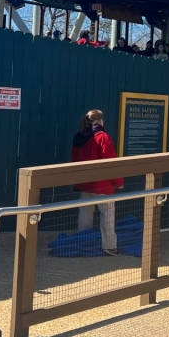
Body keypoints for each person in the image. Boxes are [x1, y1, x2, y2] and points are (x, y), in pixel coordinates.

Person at [71, 109, 123, 255]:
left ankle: (82, 243)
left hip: (84, 183)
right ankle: (109, 246)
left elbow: (74, 160)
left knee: (85, 213)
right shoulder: (102, 137)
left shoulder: (78, 137)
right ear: (100, 120)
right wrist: (118, 182)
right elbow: (110, 163)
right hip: (102, 185)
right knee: (107, 213)